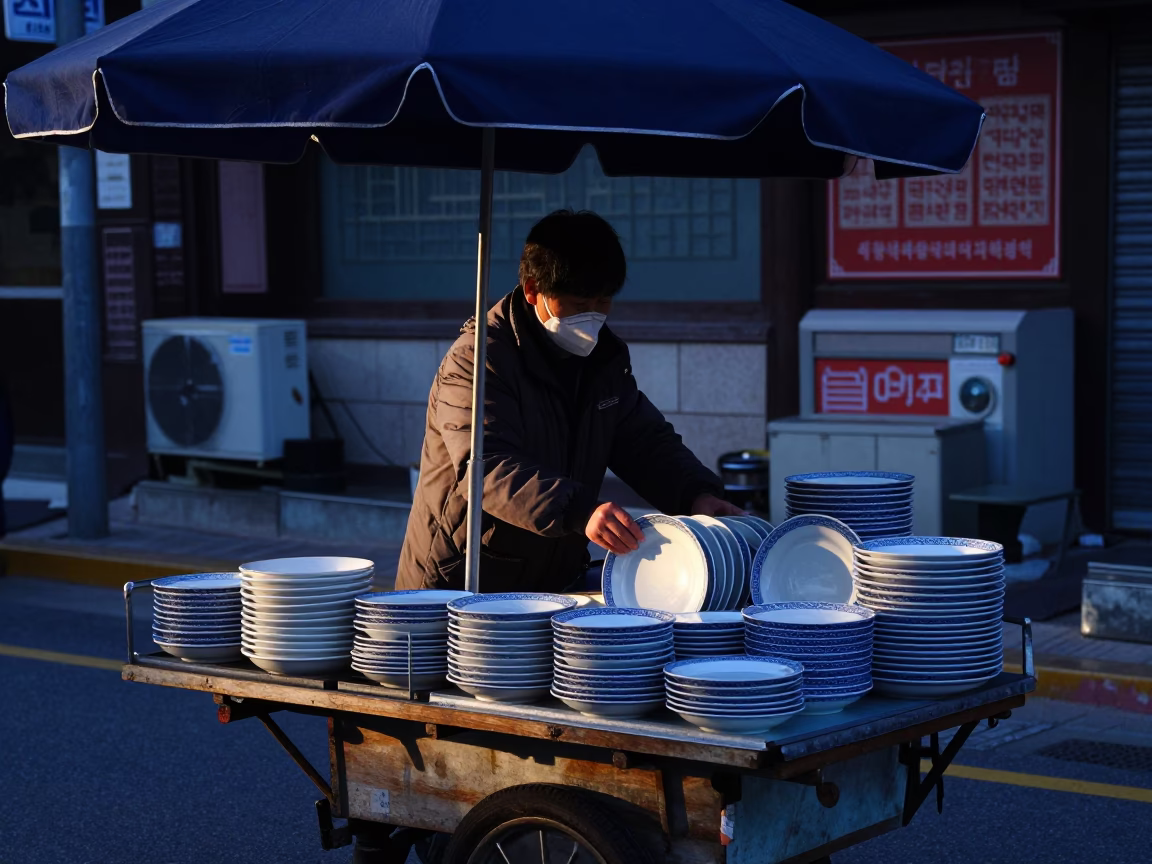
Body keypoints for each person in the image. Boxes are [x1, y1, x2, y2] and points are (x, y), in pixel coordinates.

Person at [396, 209, 742, 595]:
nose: (593, 317)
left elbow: (642, 441)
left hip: (554, 576)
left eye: (603, 301)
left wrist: (696, 494)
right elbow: (485, 466)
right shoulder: (477, 360)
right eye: (579, 304)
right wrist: (580, 511)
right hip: (464, 582)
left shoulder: (603, 361)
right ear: (533, 290)